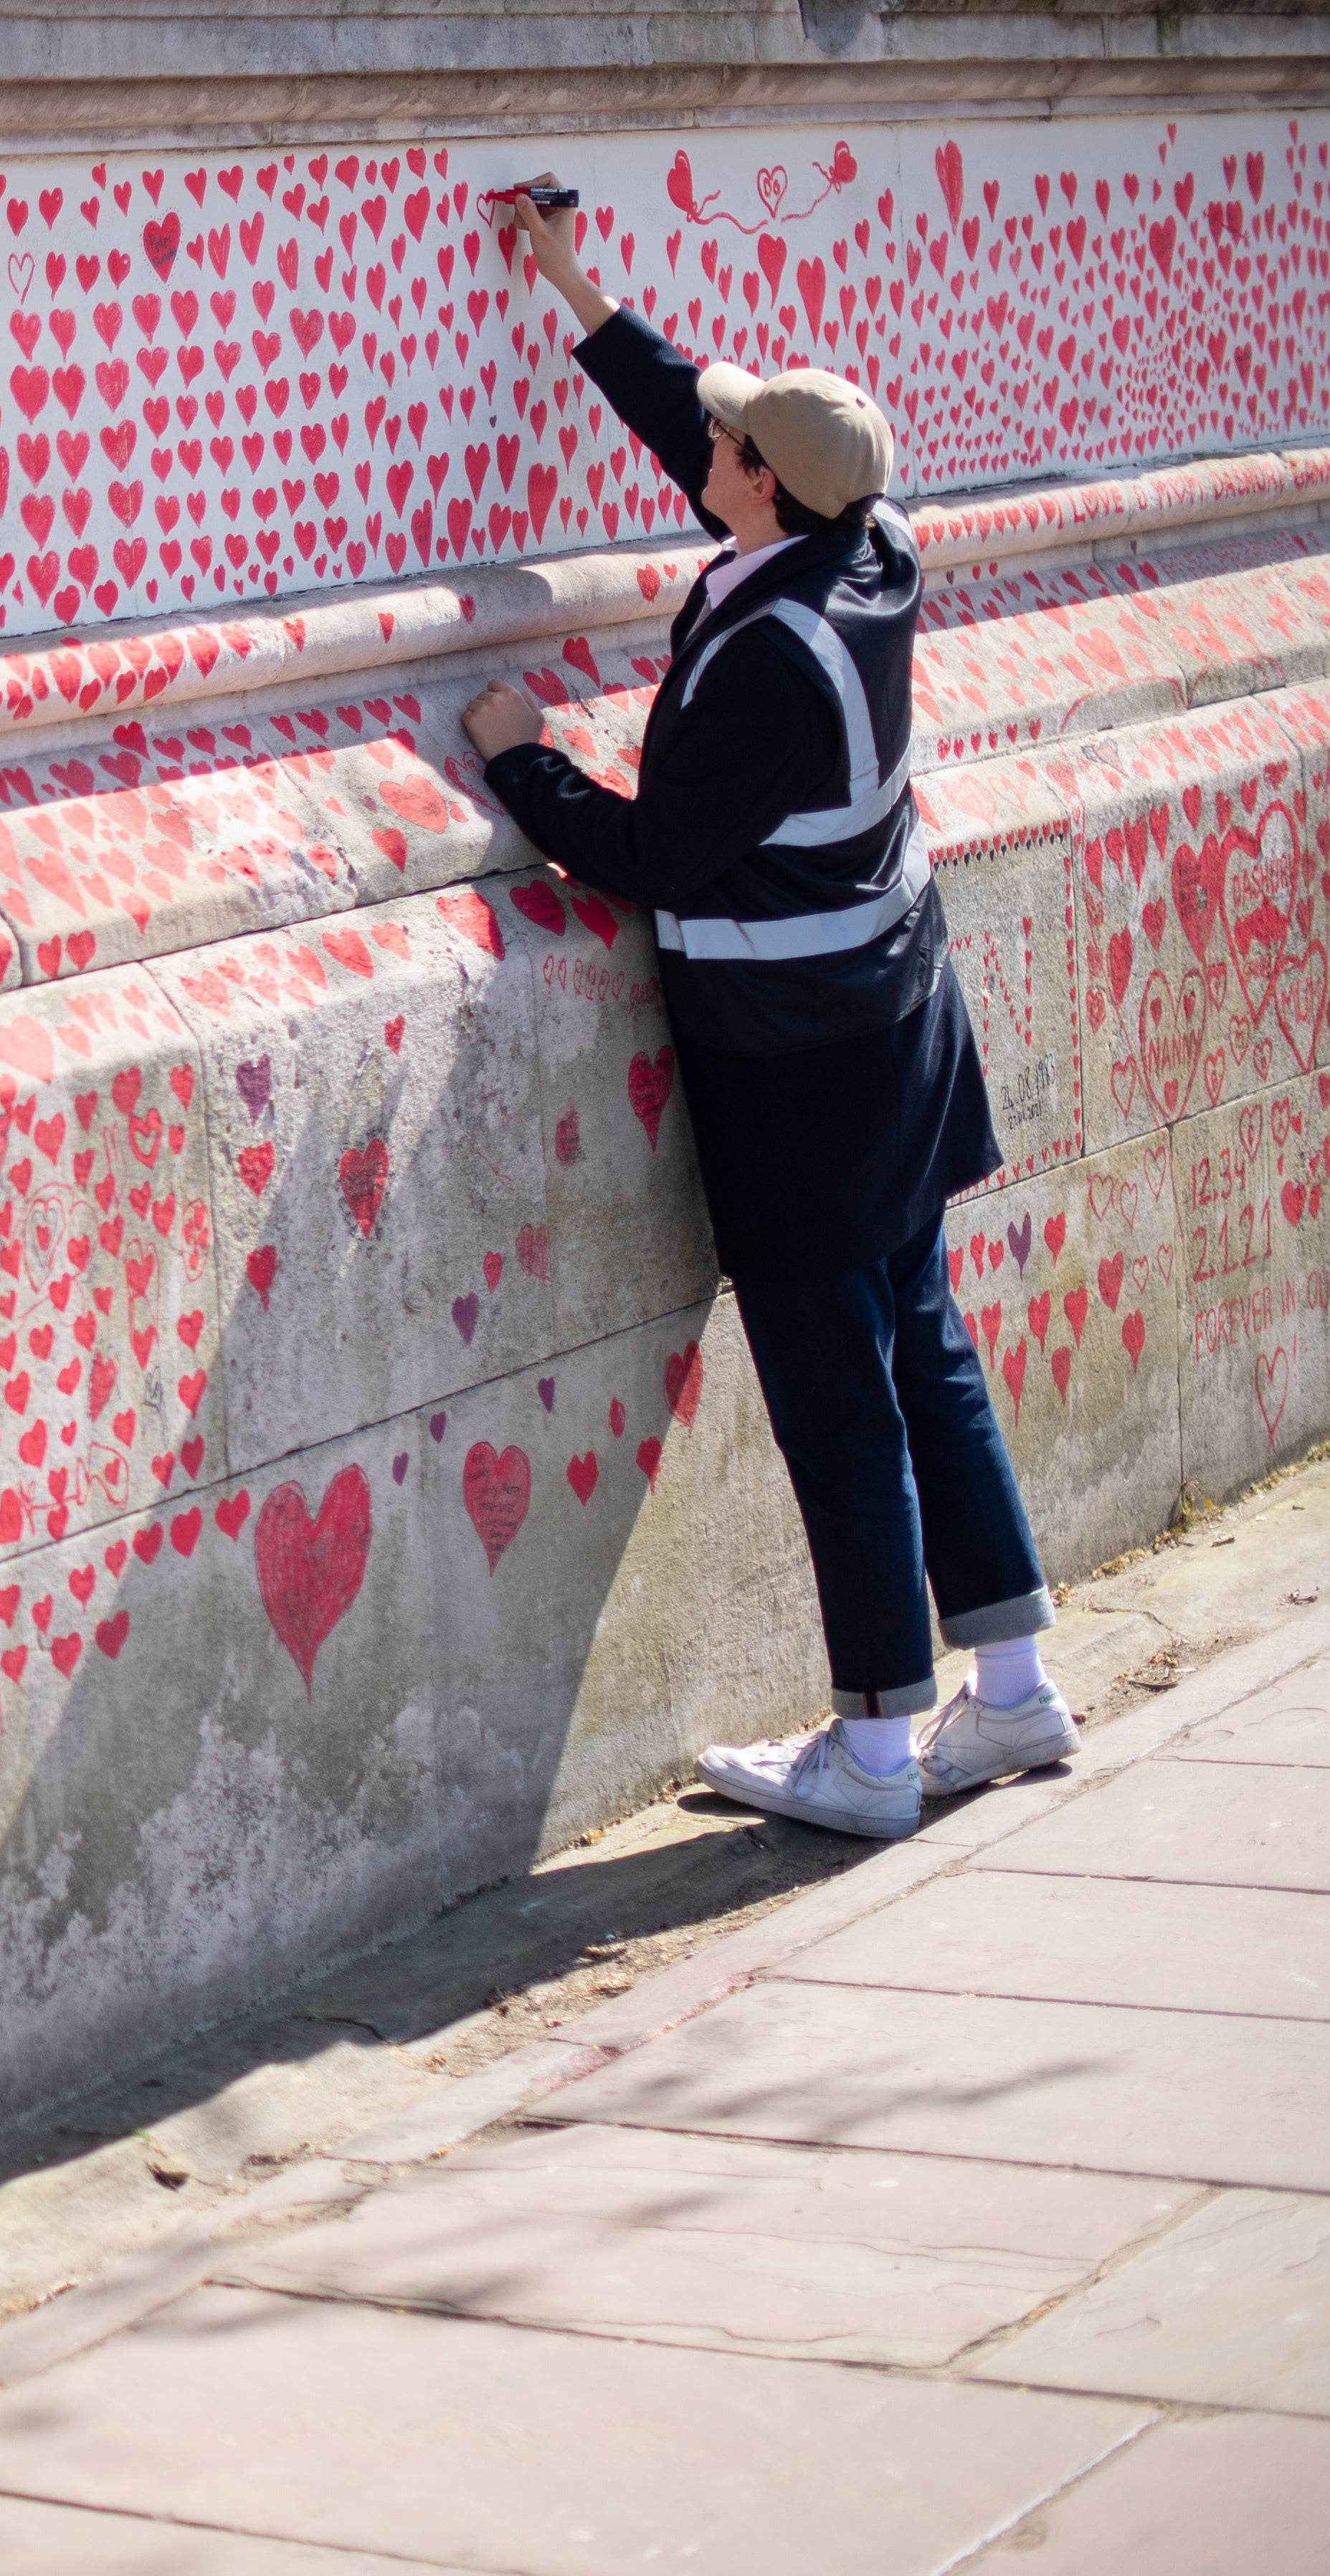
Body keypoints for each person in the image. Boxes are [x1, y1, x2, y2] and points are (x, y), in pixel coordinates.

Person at [461, 179, 1075, 1838]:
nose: (706, 449)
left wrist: (520, 756)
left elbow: (658, 851)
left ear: (760, 493)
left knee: (833, 1393)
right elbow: (702, 433)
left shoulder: (766, 663)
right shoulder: (859, 550)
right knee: (924, 1342)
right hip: (897, 1030)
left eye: (728, 446)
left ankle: (874, 1752)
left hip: (804, 1079)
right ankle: (1008, 1691)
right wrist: (574, 292)